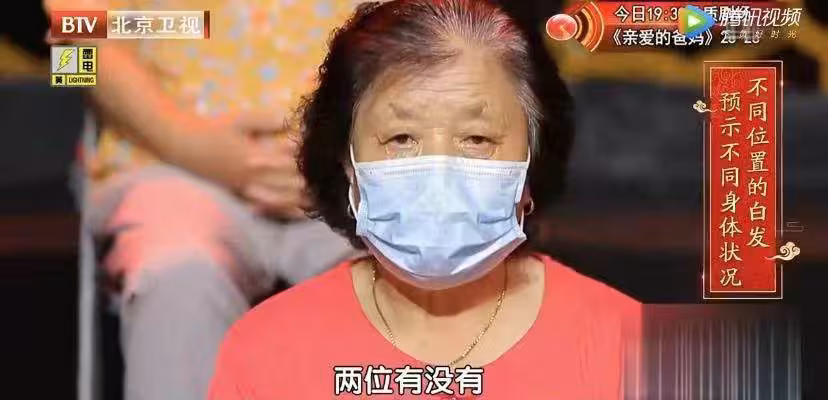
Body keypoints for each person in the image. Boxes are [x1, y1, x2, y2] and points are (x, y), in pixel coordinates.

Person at [208, 0, 642, 398]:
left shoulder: (628, 347)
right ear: (347, 163)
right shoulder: (267, 350)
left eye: (477, 138)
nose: (439, 175)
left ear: (533, 157)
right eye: (401, 138)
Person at [44, 0, 363, 399]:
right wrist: (189, 144)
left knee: (399, 277)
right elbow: (69, 46)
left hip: (359, 175)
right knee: (177, 273)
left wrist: (344, 158)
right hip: (170, 171)